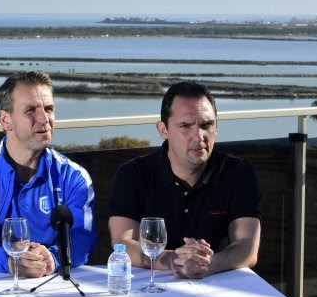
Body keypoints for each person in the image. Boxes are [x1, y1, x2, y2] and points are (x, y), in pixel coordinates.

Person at [0, 71, 97, 277]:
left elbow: (83, 237)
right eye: (31, 110)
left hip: (53, 285)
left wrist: (53, 257)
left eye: (49, 109)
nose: (44, 119)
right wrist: (7, 260)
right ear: (6, 120)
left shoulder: (74, 177)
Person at [109, 81, 261, 279]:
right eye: (185, 126)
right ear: (163, 130)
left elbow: (247, 248)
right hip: (148, 286)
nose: (198, 137)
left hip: (219, 285)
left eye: (207, 125)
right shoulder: (133, 174)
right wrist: (174, 260)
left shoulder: (239, 173)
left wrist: (209, 263)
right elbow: (122, 244)